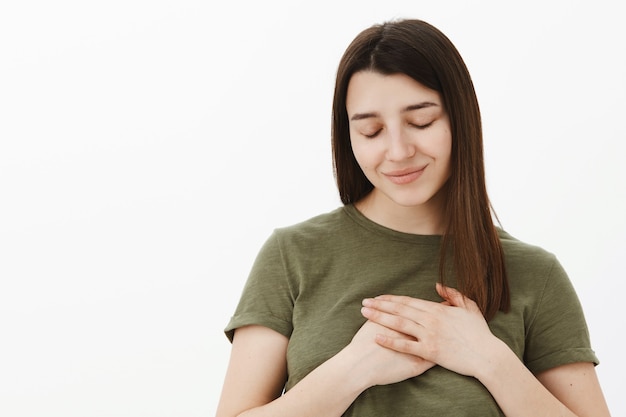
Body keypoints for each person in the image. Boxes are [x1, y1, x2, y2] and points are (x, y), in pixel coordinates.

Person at [215, 19, 610, 417]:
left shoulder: (533, 273)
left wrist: (491, 361)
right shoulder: (293, 255)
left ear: (460, 118)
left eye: (420, 122)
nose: (398, 151)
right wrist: (353, 369)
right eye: (371, 131)